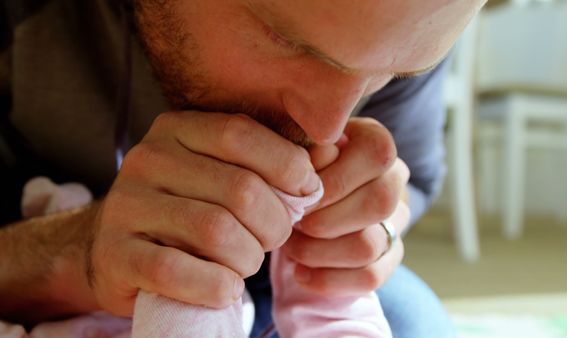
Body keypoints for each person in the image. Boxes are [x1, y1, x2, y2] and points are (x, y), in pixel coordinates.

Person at [0, 0, 486, 336]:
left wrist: (371, 221)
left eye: (394, 73)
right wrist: (76, 254)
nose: (323, 128)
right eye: (289, 41)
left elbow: (412, 179)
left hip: (265, 280)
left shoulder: (411, 17)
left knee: (410, 320)